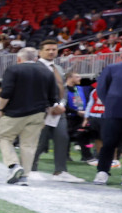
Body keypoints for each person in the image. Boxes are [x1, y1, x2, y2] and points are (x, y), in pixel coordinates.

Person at [0, 47, 57, 185]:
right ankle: (24, 176)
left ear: (19, 58)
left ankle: (13, 165)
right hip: (38, 113)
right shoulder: (47, 72)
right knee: (29, 145)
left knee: (4, 138)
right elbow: (53, 98)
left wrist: (0, 108)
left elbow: (6, 92)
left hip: (14, 112)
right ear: (36, 58)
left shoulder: (13, 69)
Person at [31, 39, 83, 182]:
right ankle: (31, 168)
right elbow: (34, 90)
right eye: (48, 49)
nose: (51, 52)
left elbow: (64, 90)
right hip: (41, 110)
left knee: (62, 138)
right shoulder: (35, 67)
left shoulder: (58, 68)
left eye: (54, 49)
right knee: (39, 140)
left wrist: (62, 104)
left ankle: (60, 171)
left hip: (58, 110)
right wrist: (49, 106)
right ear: (40, 51)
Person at [93, 59, 122, 186]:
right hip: (115, 112)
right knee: (109, 143)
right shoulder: (113, 68)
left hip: (114, 110)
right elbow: (101, 89)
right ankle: (102, 171)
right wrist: (111, 104)